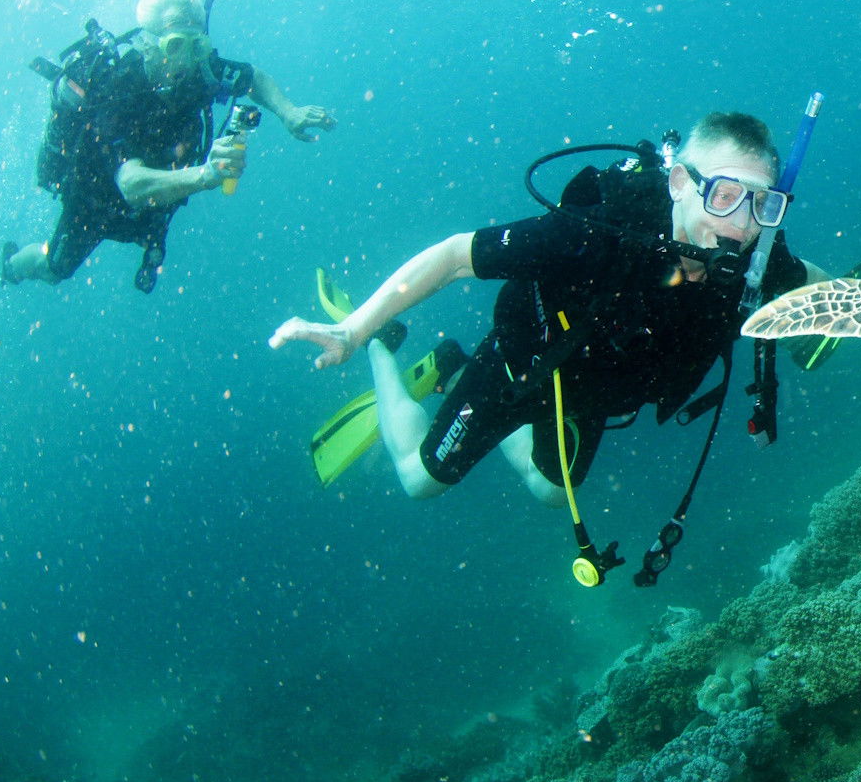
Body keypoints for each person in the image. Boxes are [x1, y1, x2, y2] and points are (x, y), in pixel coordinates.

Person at [267, 112, 818, 505]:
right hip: (521, 366)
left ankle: (448, 371)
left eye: (765, 202)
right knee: (420, 481)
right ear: (680, 183)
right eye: (723, 195)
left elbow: (821, 286)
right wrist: (353, 330)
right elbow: (457, 255)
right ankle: (387, 352)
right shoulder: (595, 234)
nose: (743, 224)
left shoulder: (758, 255)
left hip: (592, 394)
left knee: (553, 493)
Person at [2, 0, 336, 292]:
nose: (186, 58)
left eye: (197, 45)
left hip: (156, 200)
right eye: (174, 45)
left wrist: (288, 111)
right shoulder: (119, 88)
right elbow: (131, 184)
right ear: (147, 45)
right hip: (95, 201)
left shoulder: (201, 69)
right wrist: (204, 175)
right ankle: (12, 267)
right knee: (55, 268)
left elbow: (253, 78)